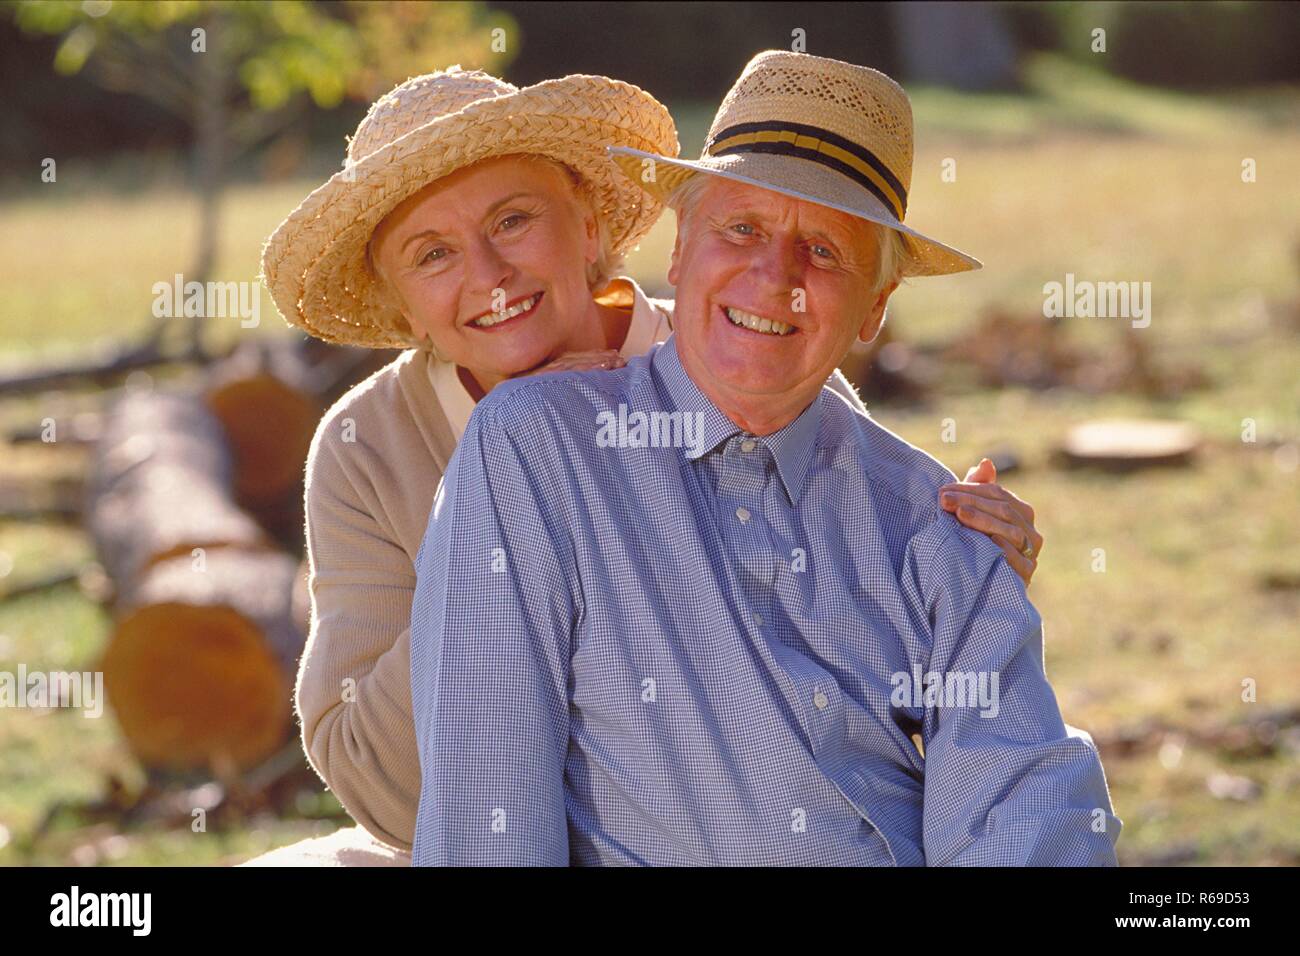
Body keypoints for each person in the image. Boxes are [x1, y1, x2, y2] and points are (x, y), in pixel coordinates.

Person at [257, 64, 1044, 862]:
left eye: (514, 221)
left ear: (591, 225)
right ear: (398, 302)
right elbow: (376, 779)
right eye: (432, 255)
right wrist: (498, 531)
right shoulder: (366, 447)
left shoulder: (742, 344)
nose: (488, 276)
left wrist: (967, 574)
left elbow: (852, 583)